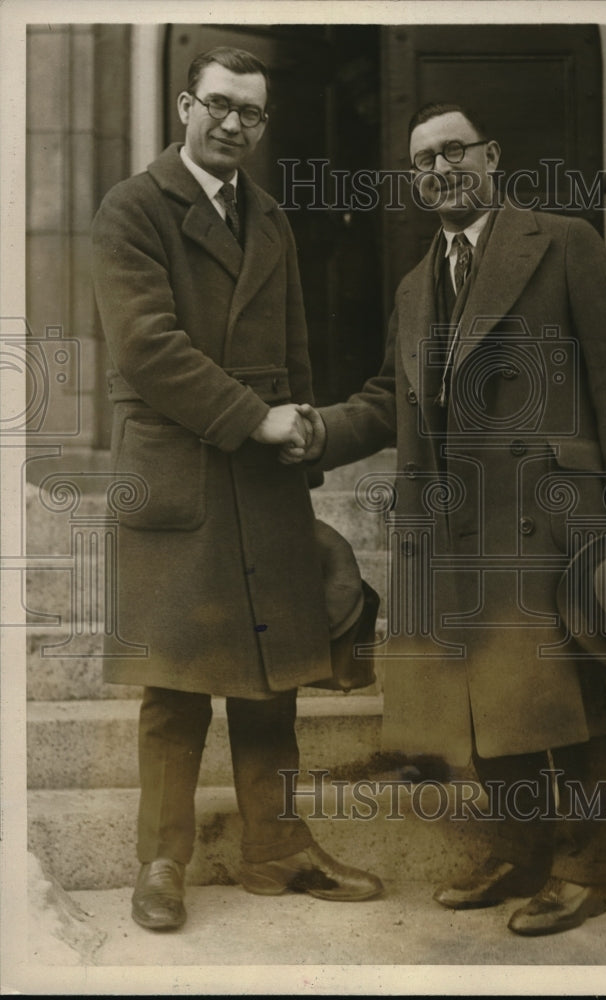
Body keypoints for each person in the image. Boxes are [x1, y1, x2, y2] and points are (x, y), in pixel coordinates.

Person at [286, 101, 606, 936]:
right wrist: (314, 431)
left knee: (583, 698)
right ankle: (522, 853)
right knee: (490, 700)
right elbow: (391, 397)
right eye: (420, 162)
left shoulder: (562, 242)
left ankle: (583, 871)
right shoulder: (416, 283)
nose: (437, 171)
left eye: (452, 152)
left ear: (491, 156)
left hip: (556, 515)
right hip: (455, 527)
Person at [90, 46, 382, 932]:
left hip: (261, 479)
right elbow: (146, 347)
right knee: (173, 686)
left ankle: (276, 852)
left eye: (251, 113)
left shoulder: (270, 218)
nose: (233, 125)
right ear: (185, 104)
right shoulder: (133, 208)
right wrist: (254, 418)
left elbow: (294, 344)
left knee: (272, 679)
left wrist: (299, 443)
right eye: (218, 104)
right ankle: (161, 863)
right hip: (177, 472)